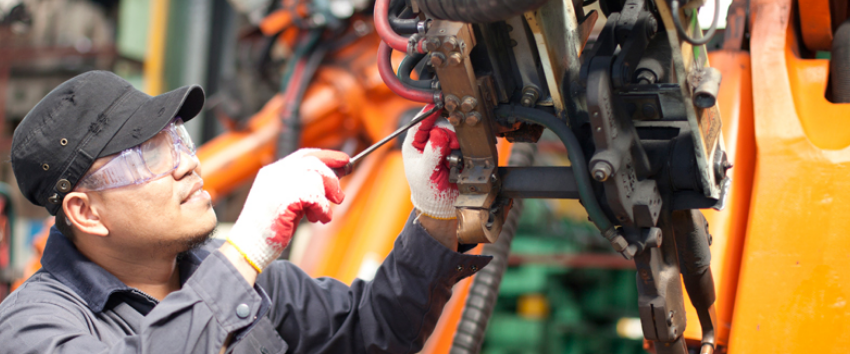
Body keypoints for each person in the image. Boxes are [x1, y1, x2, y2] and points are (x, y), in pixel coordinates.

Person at [0, 71, 489, 353]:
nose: (188, 163)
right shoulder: (32, 328)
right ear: (86, 213)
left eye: (177, 140)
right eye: (147, 156)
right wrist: (245, 252)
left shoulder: (247, 281)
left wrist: (435, 213)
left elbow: (374, 332)